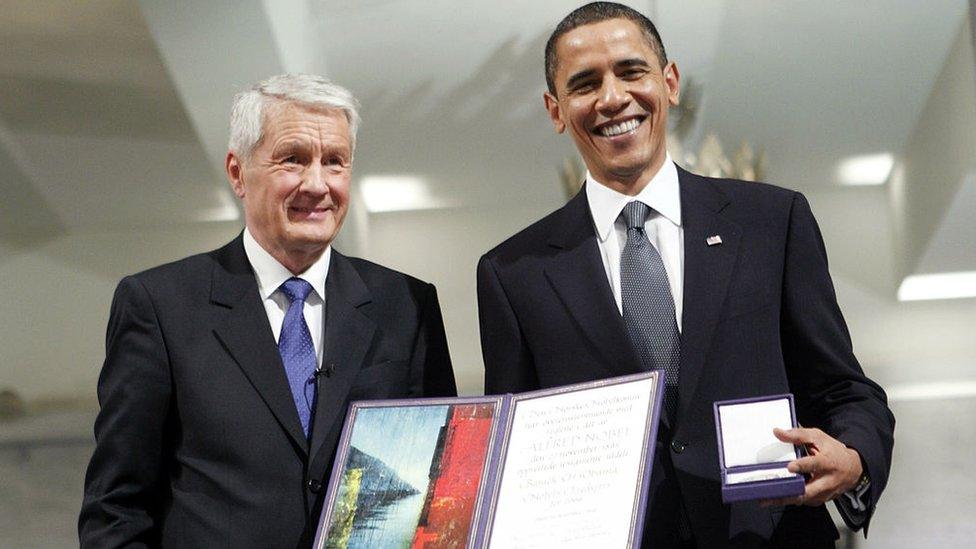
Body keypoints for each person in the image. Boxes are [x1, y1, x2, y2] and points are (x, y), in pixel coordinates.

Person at [477, 3, 894, 547]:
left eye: (631, 72)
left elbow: (844, 389)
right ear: (556, 110)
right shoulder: (513, 273)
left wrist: (856, 458)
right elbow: (513, 454)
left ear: (669, 82)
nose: (612, 98)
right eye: (584, 84)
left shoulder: (772, 221)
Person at [79, 74, 457, 548]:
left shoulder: (406, 304)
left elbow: (442, 493)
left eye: (335, 162)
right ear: (238, 173)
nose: (317, 184)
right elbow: (116, 508)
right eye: (293, 159)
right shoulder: (159, 305)